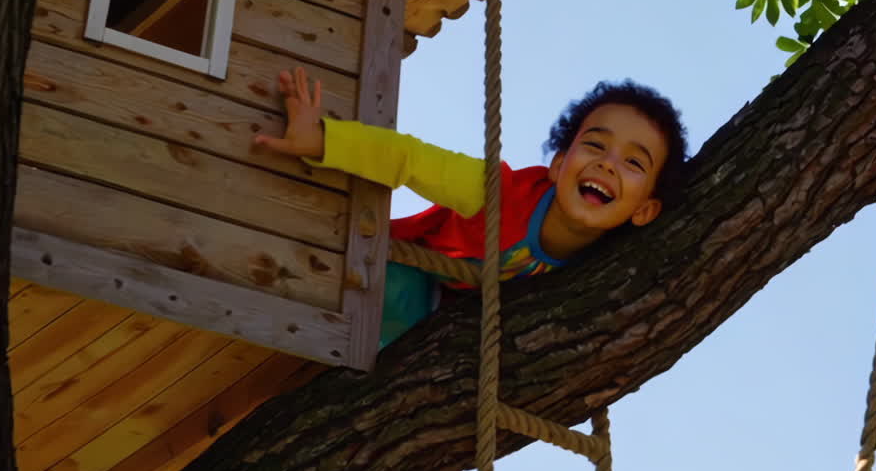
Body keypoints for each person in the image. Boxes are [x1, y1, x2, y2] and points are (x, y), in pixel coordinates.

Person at [254, 67, 688, 347]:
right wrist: (322, 140)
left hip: (461, 319)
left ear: (645, 210)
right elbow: (411, 160)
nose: (606, 164)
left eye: (633, 162)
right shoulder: (500, 193)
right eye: (595, 144)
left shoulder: (600, 268)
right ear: (557, 165)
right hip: (413, 275)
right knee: (389, 291)